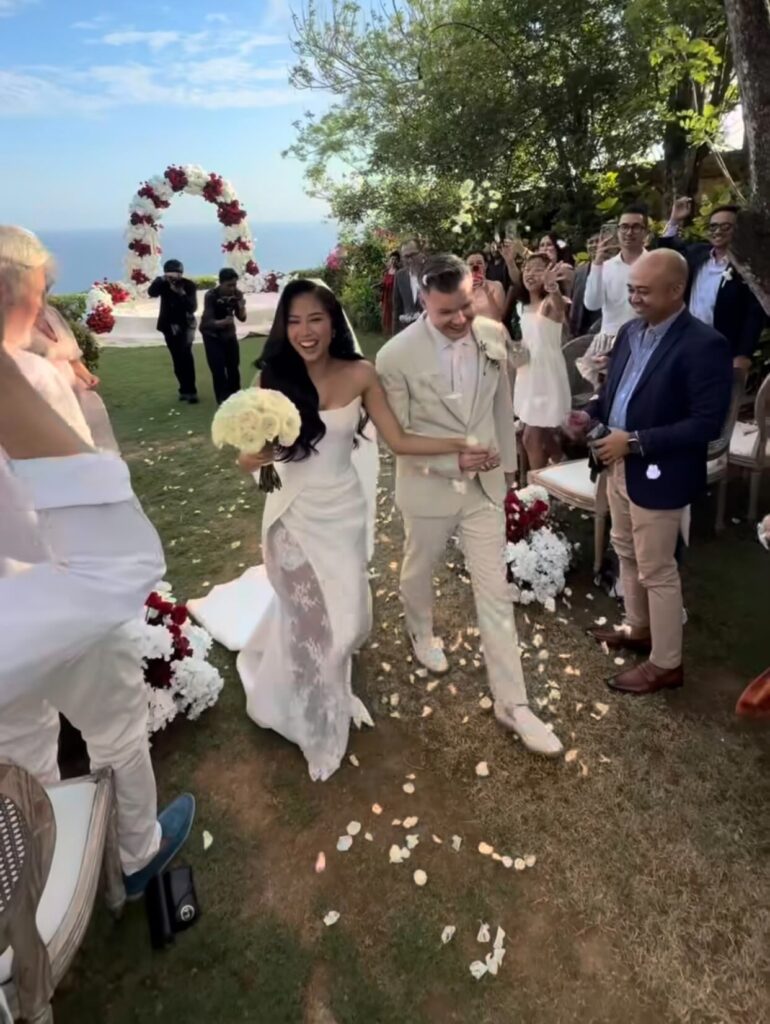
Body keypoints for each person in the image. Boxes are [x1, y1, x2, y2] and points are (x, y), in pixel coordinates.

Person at [190, 279, 484, 782]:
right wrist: (255, 456)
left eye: (315, 319)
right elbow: (248, 460)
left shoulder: (361, 374)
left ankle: (323, 688)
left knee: (346, 625)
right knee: (309, 625)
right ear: (284, 327)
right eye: (294, 321)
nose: (305, 331)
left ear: (333, 323)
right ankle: (314, 726)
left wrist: (459, 444)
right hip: (290, 516)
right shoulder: (272, 378)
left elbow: (399, 439)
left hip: (342, 514)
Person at [0, 226, 195, 896]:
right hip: (61, 589)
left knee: (22, 748)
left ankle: (40, 881)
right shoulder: (30, 381)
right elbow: (87, 500)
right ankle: (136, 851)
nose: (45, 304)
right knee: (116, 727)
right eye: (42, 290)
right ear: (17, 293)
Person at [376, 254, 563, 757]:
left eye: (465, 306)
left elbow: (501, 404)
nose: (460, 319)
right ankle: (420, 633)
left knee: (495, 592)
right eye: (446, 312)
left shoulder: (491, 333)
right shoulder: (394, 357)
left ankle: (513, 704)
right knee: (419, 569)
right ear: (423, 301)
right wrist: (450, 462)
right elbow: (397, 438)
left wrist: (506, 472)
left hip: (485, 491)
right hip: (428, 489)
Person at [570, 249, 731, 695]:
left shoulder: (705, 345)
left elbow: (706, 424)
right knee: (625, 550)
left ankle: (666, 664)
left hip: (661, 471)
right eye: (631, 290)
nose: (634, 298)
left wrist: (634, 442)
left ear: (676, 290)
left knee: (658, 568)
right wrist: (590, 414)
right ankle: (637, 629)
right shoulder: (629, 331)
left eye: (643, 291)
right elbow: (614, 394)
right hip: (617, 465)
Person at [658, 199, 766, 370]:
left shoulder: (748, 267)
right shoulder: (697, 253)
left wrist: (743, 355)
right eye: (713, 227)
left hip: (721, 348)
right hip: (684, 342)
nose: (718, 231)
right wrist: (675, 220)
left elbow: (753, 315)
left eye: (726, 227)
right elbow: (667, 252)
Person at [32, 292, 119, 451]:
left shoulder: (51, 314)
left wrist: (86, 375)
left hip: (72, 386)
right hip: (42, 390)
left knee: (85, 436)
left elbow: (71, 355)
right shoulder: (12, 323)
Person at [578, 206, 647, 388]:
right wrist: (597, 264)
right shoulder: (606, 266)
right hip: (608, 342)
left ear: (645, 232)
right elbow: (592, 304)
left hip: (643, 340)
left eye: (636, 227)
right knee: (604, 395)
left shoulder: (654, 264)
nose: (629, 232)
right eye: (624, 227)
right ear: (617, 231)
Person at [513, 253, 572, 469]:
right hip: (527, 374)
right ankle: (562, 463)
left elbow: (559, 308)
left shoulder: (550, 303)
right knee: (544, 432)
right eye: (527, 269)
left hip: (546, 377)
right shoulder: (523, 306)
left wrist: (553, 288)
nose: (530, 273)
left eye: (538, 269)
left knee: (531, 437)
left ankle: (535, 486)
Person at [147, 259, 199, 404]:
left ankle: (191, 391)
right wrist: (160, 280)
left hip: (186, 326)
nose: (172, 279)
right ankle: (183, 389)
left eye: (175, 276)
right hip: (169, 326)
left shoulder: (188, 285)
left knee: (186, 356)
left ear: (181, 274)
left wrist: (181, 293)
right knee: (177, 358)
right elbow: (152, 292)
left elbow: (192, 307)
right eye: (169, 276)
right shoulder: (162, 284)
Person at [200, 267, 247, 404]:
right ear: (220, 283)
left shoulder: (237, 294)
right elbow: (207, 321)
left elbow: (242, 318)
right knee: (218, 370)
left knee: (233, 367)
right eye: (229, 285)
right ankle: (222, 401)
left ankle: (237, 398)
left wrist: (242, 307)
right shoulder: (211, 296)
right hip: (211, 335)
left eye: (234, 285)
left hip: (229, 334)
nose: (232, 288)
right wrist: (222, 322)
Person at [569, 235, 601, 339]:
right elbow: (573, 299)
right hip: (581, 329)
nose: (594, 245)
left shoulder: (612, 268)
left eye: (598, 241)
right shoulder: (579, 271)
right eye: (591, 242)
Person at [391, 239, 423, 332]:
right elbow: (397, 308)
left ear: (421, 253)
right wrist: (396, 336)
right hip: (408, 332)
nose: (410, 260)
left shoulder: (432, 274)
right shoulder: (400, 276)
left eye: (413, 255)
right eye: (406, 256)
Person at [467, 251, 506, 321]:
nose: (475, 266)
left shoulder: (496, 286)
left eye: (479, 263)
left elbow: (498, 317)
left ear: (486, 265)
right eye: (471, 264)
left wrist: (486, 290)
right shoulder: (460, 289)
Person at [381, 250, 400, 337]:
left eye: (395, 259)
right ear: (390, 260)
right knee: (386, 314)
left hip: (394, 295)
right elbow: (384, 283)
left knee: (394, 314)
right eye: (392, 259)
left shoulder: (399, 272)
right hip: (386, 295)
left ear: (398, 261)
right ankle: (387, 333)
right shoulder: (386, 271)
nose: (393, 261)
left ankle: (395, 332)